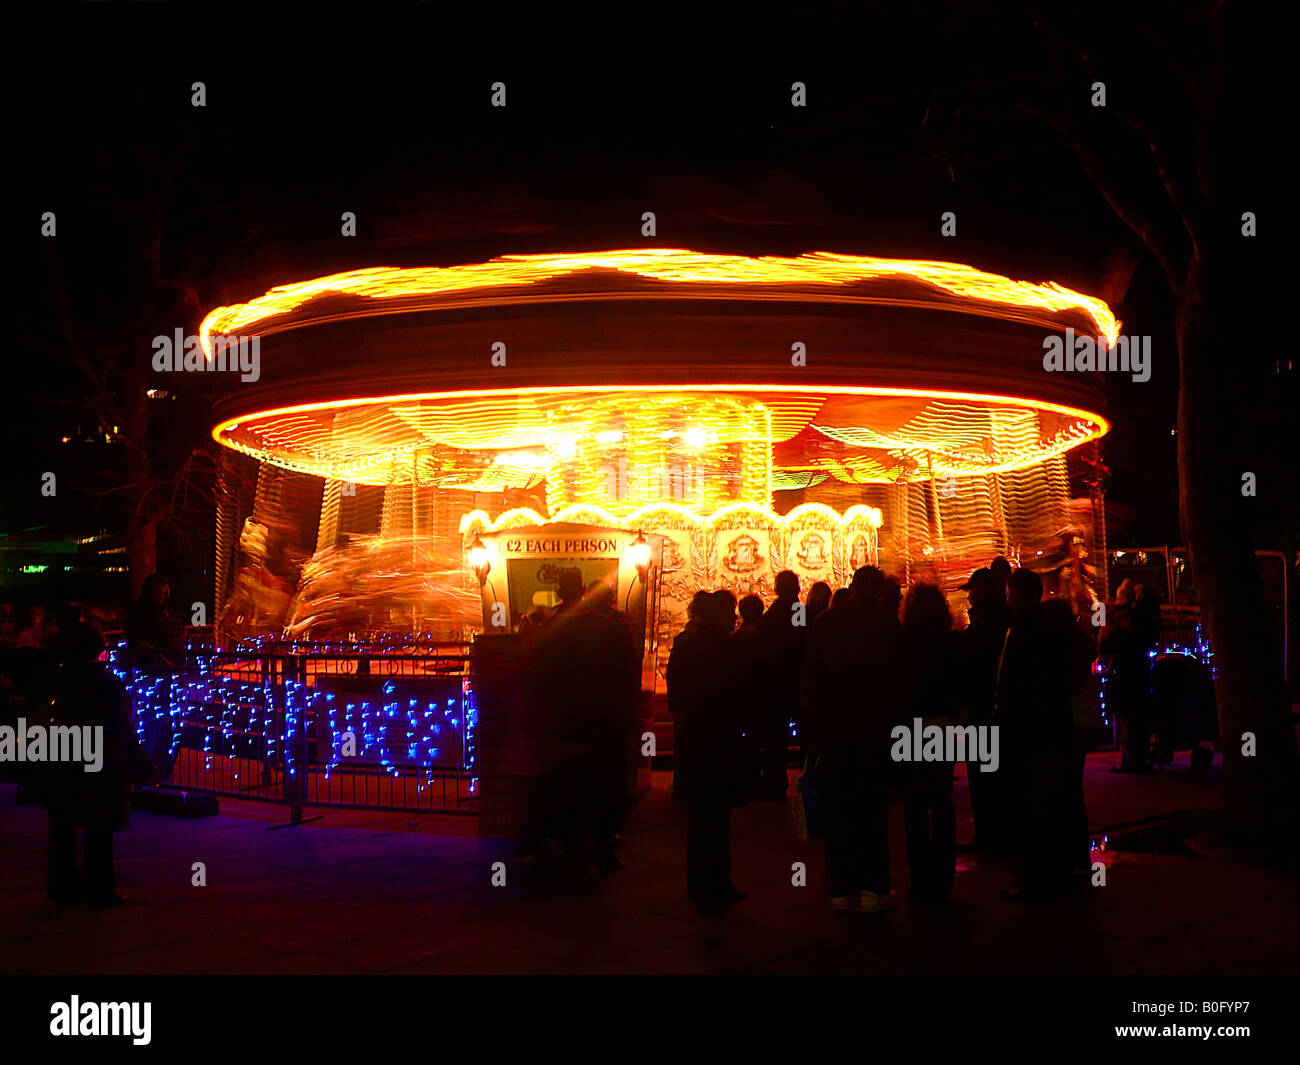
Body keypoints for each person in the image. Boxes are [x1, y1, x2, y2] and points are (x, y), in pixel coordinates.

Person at [801, 566, 904, 911]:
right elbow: (896, 684)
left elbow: (811, 679)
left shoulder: (827, 622)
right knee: (872, 812)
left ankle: (841, 888)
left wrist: (813, 729)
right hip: (874, 732)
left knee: (839, 811)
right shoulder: (888, 625)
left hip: (836, 731)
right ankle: (874, 888)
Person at [43, 622, 153, 907]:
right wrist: (137, 759)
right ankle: (101, 888)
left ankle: (62, 886)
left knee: (62, 826)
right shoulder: (106, 682)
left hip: (63, 755)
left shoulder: (57, 678)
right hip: (98, 759)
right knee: (99, 828)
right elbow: (119, 723)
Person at [995, 569, 1076, 902]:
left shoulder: (1023, 631)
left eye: (1011, 594)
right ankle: (1058, 873)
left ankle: (1034, 880)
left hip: (1028, 729)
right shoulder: (1051, 628)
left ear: (1019, 595)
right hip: (1051, 725)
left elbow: (1013, 681)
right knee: (1051, 804)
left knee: (1029, 806)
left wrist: (1004, 716)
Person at [668, 592, 746, 903]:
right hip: (716, 737)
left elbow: (676, 692)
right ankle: (716, 882)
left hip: (693, 736)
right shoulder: (721, 646)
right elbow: (734, 690)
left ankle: (700, 881)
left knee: (700, 817)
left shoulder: (685, 642)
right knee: (715, 816)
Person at [898, 584, 962, 906]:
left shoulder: (902, 642)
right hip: (945, 723)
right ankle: (943, 876)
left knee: (914, 804)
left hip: (911, 724)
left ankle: (920, 877)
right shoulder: (952, 642)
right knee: (941, 800)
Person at [958, 568, 1010, 853]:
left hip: (983, 708)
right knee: (994, 774)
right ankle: (998, 833)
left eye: (973, 592)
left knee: (982, 775)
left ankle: (989, 835)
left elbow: (972, 666)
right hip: (995, 708)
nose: (969, 598)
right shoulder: (1002, 620)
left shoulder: (983, 625)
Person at [756, 571, 804, 800]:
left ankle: (776, 780)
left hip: (779, 677)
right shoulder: (795, 609)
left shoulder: (783, 611)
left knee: (774, 735)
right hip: (790, 676)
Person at [731, 594, 767, 799]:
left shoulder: (737, 638)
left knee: (744, 743)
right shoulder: (767, 636)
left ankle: (745, 780)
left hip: (742, 697)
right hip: (762, 696)